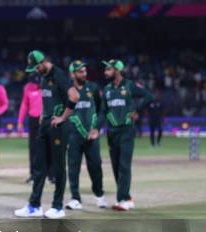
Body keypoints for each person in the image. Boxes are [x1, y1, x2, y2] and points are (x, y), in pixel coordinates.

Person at [14, 50, 79, 219]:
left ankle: (57, 207)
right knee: (39, 166)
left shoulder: (59, 75)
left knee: (58, 167)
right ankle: (34, 205)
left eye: (36, 67)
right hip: (45, 125)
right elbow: (47, 99)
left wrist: (63, 117)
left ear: (43, 63)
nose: (35, 71)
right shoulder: (43, 77)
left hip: (59, 127)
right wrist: (44, 113)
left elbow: (74, 95)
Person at [101, 59, 153, 211]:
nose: (105, 72)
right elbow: (104, 111)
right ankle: (127, 197)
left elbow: (148, 96)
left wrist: (138, 110)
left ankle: (122, 199)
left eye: (108, 70)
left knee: (124, 165)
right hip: (112, 132)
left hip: (126, 130)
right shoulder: (107, 89)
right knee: (116, 166)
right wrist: (97, 127)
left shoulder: (129, 85)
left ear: (117, 70)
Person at [65, 60, 106, 210]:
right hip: (73, 136)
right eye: (80, 71)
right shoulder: (67, 90)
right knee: (73, 167)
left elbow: (102, 110)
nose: (84, 73)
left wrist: (97, 128)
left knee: (95, 166)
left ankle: (99, 194)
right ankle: (75, 198)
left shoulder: (93, 88)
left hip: (92, 135)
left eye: (85, 71)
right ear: (73, 73)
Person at [17, 74, 43, 183]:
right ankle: (33, 174)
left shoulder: (47, 85)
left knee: (48, 147)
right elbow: (24, 105)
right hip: (33, 120)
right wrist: (20, 121)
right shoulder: (28, 87)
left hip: (45, 119)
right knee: (33, 148)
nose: (35, 85)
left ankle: (51, 175)